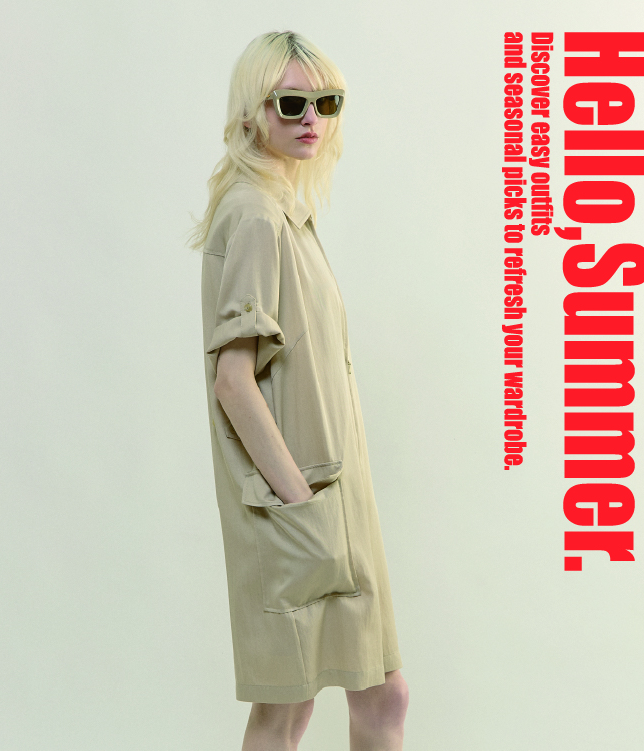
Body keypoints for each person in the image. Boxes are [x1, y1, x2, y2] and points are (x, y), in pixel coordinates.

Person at [188, 31, 409, 750]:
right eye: (290, 103)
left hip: (327, 501)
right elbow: (233, 381)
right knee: (289, 710)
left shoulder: (280, 207)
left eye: (326, 102)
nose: (311, 118)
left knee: (358, 697)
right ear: (251, 112)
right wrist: (299, 502)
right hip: (301, 505)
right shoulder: (255, 214)